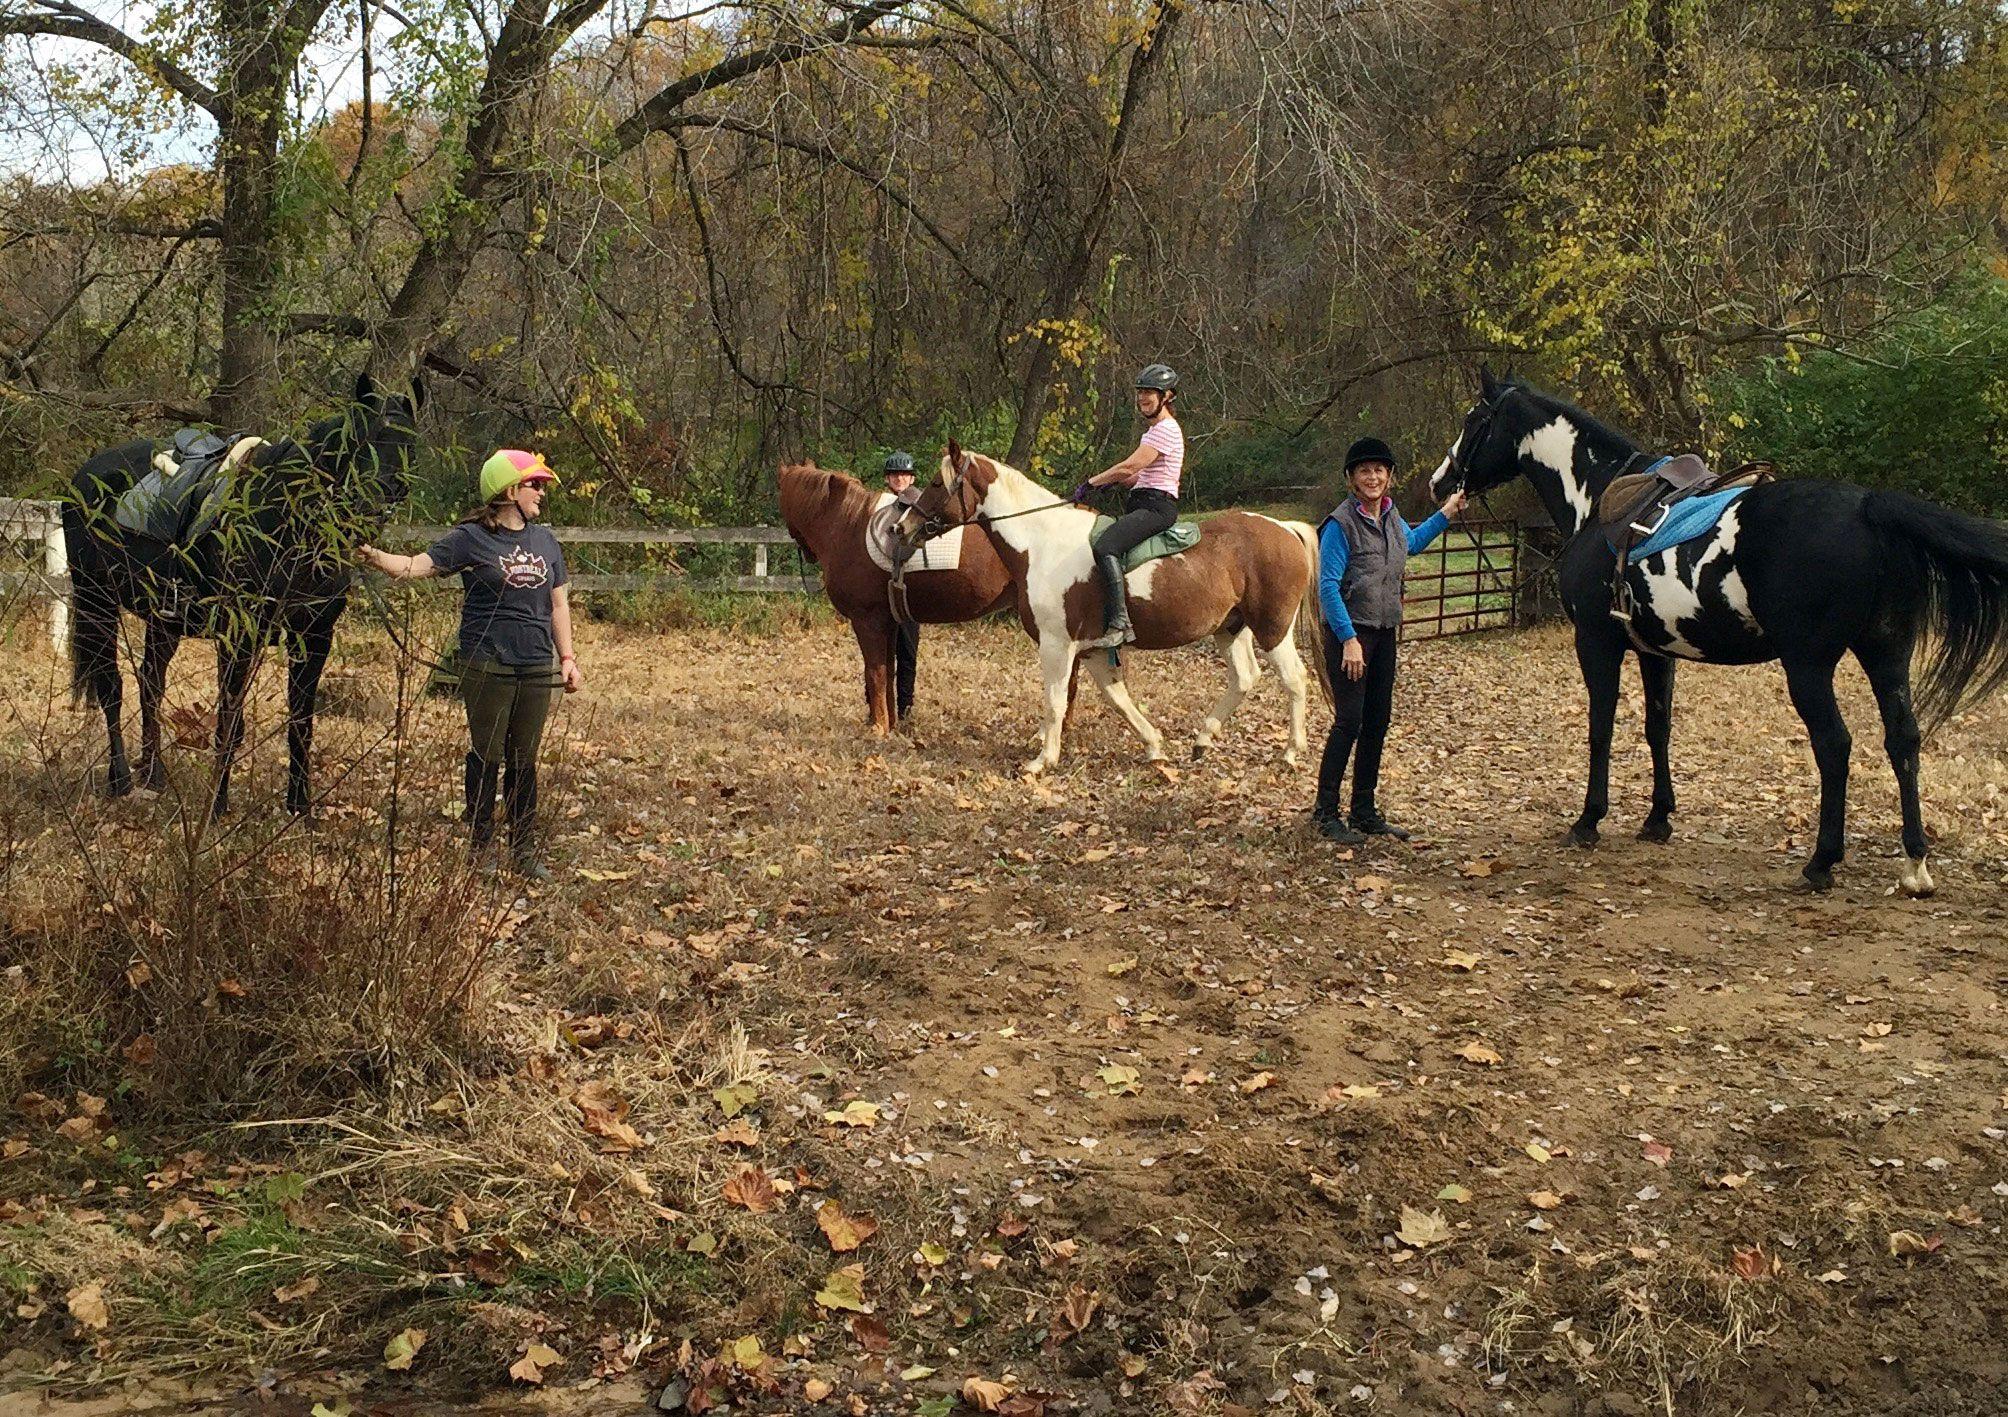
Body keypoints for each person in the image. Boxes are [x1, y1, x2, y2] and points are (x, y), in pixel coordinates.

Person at [357, 449, 581, 879]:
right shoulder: (471, 538)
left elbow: (559, 604)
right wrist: (372, 554)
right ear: (509, 491)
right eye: (535, 485)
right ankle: (481, 846)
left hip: (536, 663)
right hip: (487, 662)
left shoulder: (546, 541)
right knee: (487, 755)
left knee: (524, 758)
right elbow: (415, 566)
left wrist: (567, 658)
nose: (541, 494)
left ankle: (523, 847)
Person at [1311, 435, 1466, 846]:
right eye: (1364, 470)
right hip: (1351, 633)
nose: (1373, 476)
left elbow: (1410, 545)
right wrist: (1348, 640)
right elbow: (1327, 587)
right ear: (1352, 478)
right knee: (1349, 721)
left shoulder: (1392, 517)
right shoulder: (1339, 525)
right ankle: (1325, 812)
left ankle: (1364, 810)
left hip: (1383, 632)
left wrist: (1445, 514)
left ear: (1390, 476)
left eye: (1379, 469)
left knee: (1377, 722)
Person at [1081, 363, 1184, 648]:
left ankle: (1119, 623)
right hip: (1144, 500)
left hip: (1156, 508)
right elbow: (1139, 474)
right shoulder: (1153, 433)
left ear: (1167, 396)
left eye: (1149, 393)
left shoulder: (1164, 430)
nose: (1142, 399)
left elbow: (1130, 466)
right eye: (1140, 393)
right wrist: (1117, 482)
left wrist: (1093, 483)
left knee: (1105, 546)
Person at [883, 451, 922, 723]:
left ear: (912, 478)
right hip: (881, 589)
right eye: (895, 474)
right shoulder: (880, 508)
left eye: (904, 474)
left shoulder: (921, 509)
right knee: (881, 653)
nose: (900, 478)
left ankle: (906, 707)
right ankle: (882, 706)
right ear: (888, 479)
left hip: (909, 590)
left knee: (907, 652)